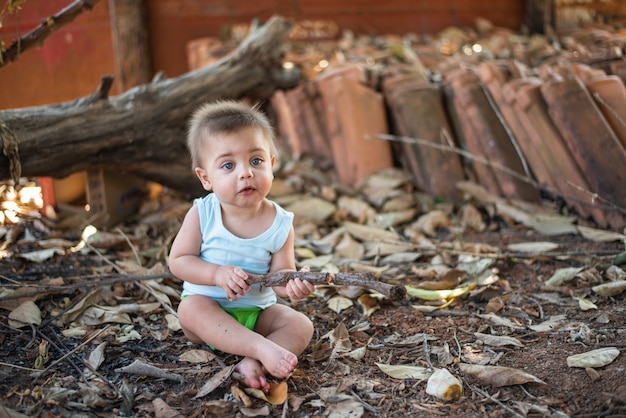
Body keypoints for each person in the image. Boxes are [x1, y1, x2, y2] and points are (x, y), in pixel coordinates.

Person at [168, 100, 315, 393]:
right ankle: (262, 349)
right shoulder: (203, 213)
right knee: (189, 308)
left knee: (301, 325)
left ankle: (252, 360)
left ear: (272, 164)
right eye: (228, 165)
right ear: (206, 178)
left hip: (256, 314)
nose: (245, 173)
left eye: (256, 161)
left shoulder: (280, 223)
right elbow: (179, 261)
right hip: (208, 314)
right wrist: (217, 275)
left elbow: (280, 276)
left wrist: (294, 284)